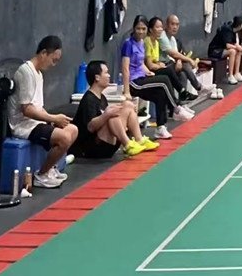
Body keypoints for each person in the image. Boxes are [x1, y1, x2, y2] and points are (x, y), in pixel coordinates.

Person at [8, 36, 78, 189]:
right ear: (44, 53)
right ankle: (42, 175)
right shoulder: (25, 72)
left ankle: (51, 168)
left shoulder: (39, 74)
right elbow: (27, 109)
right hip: (23, 126)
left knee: (72, 129)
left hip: (36, 122)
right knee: (64, 138)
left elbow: (38, 106)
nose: (54, 64)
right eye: (53, 60)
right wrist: (53, 118)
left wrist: (52, 120)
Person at [121, 16, 193, 141]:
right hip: (134, 83)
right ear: (133, 28)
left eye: (143, 29)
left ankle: (160, 128)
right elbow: (125, 68)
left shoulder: (141, 43)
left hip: (142, 77)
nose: (141, 31)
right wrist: (127, 91)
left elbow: (140, 63)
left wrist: (148, 72)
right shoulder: (128, 44)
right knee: (164, 80)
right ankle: (176, 108)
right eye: (138, 28)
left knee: (161, 93)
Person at [73, 61, 158, 159]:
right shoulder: (88, 99)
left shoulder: (102, 97)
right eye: (106, 72)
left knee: (127, 105)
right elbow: (90, 127)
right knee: (111, 115)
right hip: (93, 148)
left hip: (108, 143)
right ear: (97, 77)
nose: (109, 75)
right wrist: (106, 114)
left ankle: (139, 140)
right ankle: (127, 144)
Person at [161, 14, 220, 100]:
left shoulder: (173, 39)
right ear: (166, 25)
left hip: (171, 64)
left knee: (183, 73)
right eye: (172, 24)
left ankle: (182, 102)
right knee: (185, 64)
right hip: (163, 66)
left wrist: (179, 61)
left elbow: (176, 55)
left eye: (177, 24)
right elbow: (172, 54)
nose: (175, 27)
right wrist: (189, 60)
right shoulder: (162, 36)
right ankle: (199, 88)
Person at [209, 16, 242, 85]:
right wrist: (237, 47)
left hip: (222, 49)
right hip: (215, 50)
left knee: (238, 51)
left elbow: (235, 44)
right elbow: (228, 45)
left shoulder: (234, 31)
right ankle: (230, 76)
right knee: (232, 51)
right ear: (239, 25)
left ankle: (237, 73)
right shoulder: (227, 30)